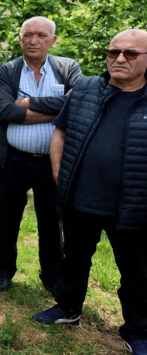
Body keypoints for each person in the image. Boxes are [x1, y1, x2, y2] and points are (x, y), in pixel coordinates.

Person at [34, 29, 147, 355]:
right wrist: (59, 174)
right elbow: (60, 132)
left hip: (133, 205)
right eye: (114, 52)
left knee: (137, 270)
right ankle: (68, 308)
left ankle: (138, 330)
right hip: (82, 198)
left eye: (130, 53)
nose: (120, 58)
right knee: (74, 258)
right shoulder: (85, 89)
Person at [0, 16, 81, 293]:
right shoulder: (7, 71)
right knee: (7, 217)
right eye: (28, 34)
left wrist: (29, 102)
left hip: (53, 162)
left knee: (51, 221)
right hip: (14, 159)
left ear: (53, 41)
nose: (34, 40)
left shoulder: (68, 67)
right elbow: (4, 111)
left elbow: (75, 103)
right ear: (20, 39)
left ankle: (52, 274)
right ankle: (3, 271)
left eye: (42, 35)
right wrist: (55, 110)